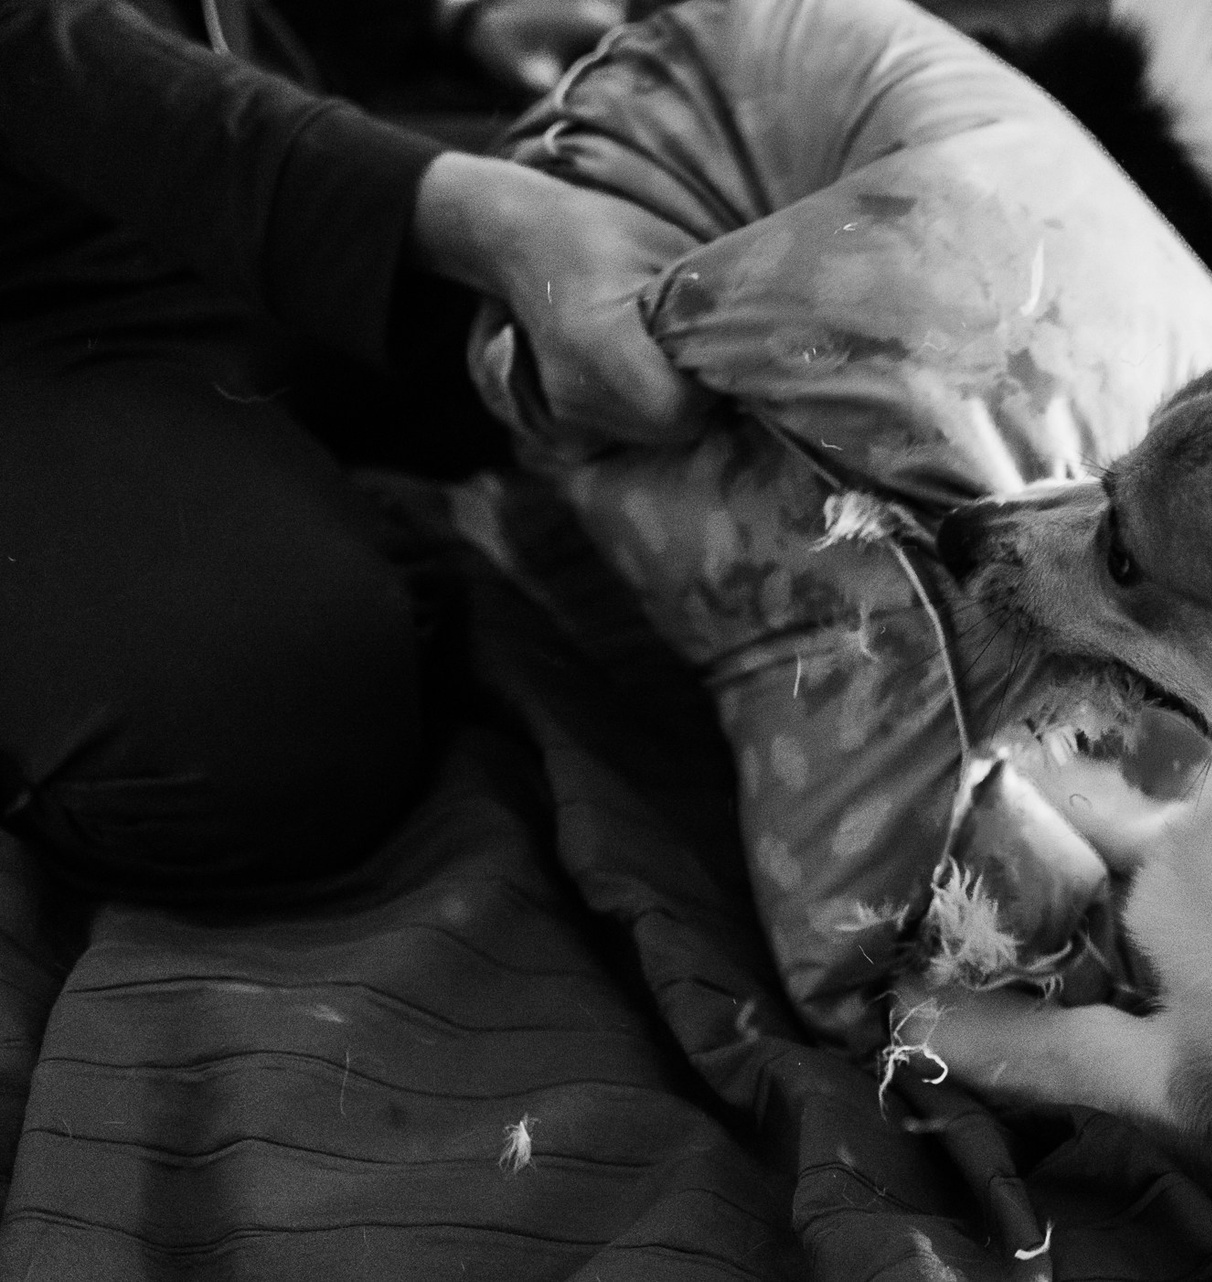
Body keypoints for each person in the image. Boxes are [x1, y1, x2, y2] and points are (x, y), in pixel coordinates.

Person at [0, 0, 698, 900]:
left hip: (230, 112)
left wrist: (445, 14)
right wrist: (484, 217)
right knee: (260, 728)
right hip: (35, 306)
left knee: (723, 231)